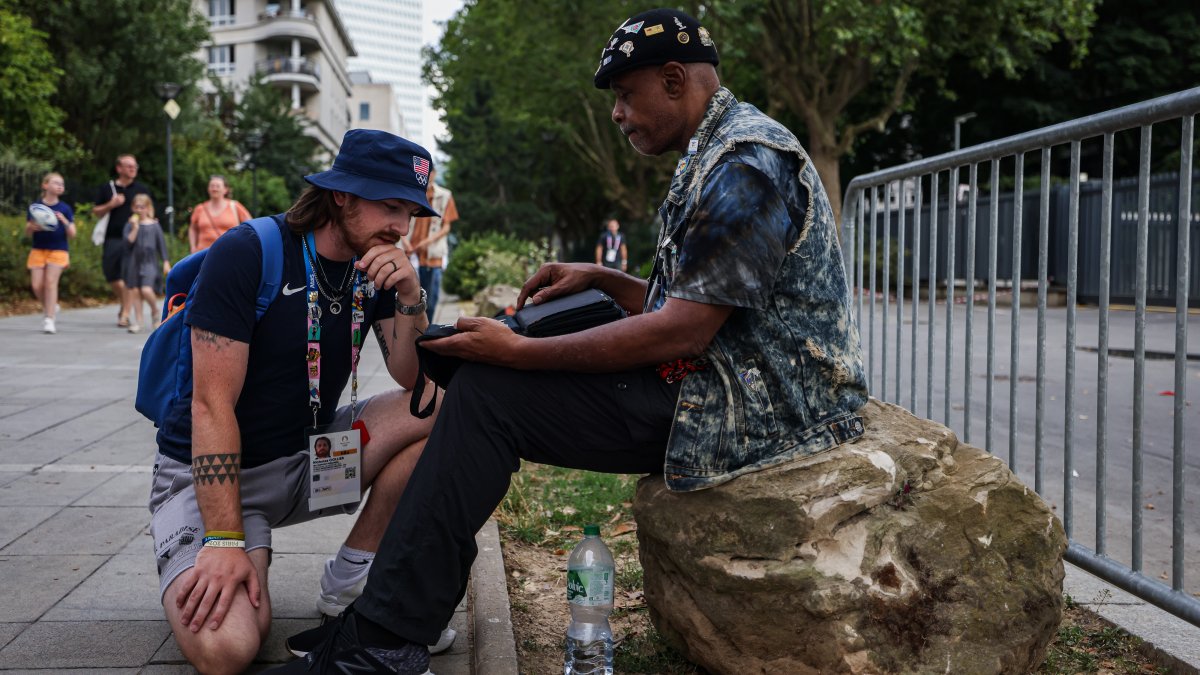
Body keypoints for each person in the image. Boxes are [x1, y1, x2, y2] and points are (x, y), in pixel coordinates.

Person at [271, 9, 868, 675]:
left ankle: (384, 635)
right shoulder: (718, 149)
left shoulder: (746, 163)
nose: (617, 114)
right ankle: (394, 615)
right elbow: (703, 304)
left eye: (623, 95)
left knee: (491, 390)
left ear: (673, 80)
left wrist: (520, 352)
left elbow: (686, 327)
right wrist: (606, 280)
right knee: (480, 374)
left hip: (754, 410)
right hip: (718, 381)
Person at [148, 129, 455, 675]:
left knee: (441, 406)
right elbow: (209, 406)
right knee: (227, 651)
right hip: (214, 477)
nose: (400, 227)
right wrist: (224, 540)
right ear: (341, 195)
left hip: (303, 460)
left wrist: (411, 295)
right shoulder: (248, 253)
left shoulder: (375, 266)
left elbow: (413, 379)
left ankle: (351, 580)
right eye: (389, 206)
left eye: (409, 213)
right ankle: (231, 544)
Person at [93, 154, 152, 328]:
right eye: (128, 166)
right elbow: (96, 211)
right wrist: (111, 204)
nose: (133, 169)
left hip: (134, 239)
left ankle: (125, 314)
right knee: (110, 273)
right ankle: (124, 301)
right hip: (112, 238)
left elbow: (149, 211)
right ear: (119, 168)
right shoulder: (107, 188)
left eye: (135, 166)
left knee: (128, 276)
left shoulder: (141, 189)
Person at [25, 172, 76, 334]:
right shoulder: (35, 207)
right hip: (38, 249)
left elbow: (72, 234)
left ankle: (49, 319)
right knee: (36, 285)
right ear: (45, 185)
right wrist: (31, 227)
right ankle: (51, 306)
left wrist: (65, 221)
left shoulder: (65, 208)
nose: (60, 186)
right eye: (55, 183)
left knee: (50, 283)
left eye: (62, 184)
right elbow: (27, 232)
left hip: (59, 249)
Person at [405, 166, 458, 321]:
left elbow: (447, 226)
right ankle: (408, 330)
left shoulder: (445, 195)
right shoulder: (410, 193)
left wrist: (428, 241)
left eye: (429, 173)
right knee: (406, 297)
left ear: (434, 174)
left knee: (431, 298)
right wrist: (404, 241)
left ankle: (426, 331)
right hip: (409, 252)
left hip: (432, 254)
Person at [122, 194, 171, 334]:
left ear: (148, 208)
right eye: (136, 207)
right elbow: (127, 243)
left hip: (149, 261)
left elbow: (161, 244)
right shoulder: (130, 225)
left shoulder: (154, 225)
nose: (139, 210)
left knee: (146, 289)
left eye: (142, 207)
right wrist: (135, 227)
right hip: (134, 261)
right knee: (135, 291)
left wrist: (166, 261)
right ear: (133, 208)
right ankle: (139, 321)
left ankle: (155, 311)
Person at [189, 175, 253, 253]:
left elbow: (250, 226)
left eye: (218, 186)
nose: (214, 188)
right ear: (208, 189)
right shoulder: (200, 208)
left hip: (228, 252)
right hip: (202, 254)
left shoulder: (234, 206)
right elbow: (192, 228)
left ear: (225, 189)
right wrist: (193, 246)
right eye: (212, 186)